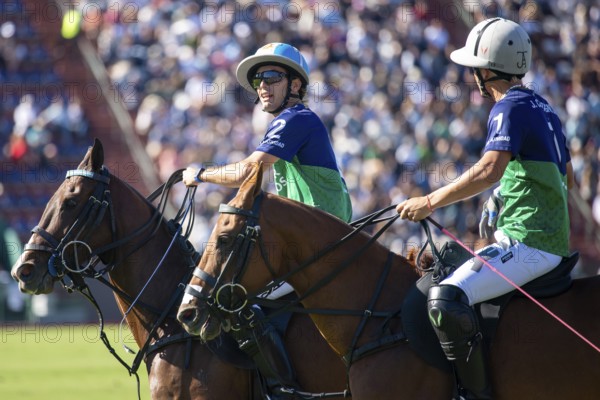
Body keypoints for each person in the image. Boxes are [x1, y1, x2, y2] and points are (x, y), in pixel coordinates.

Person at [396, 18, 573, 399]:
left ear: (487, 70)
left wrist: (428, 201)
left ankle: (475, 394)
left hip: (530, 242)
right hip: (549, 240)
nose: (472, 76)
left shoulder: (507, 107)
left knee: (446, 298)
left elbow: (489, 169)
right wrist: (506, 193)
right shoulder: (544, 108)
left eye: (474, 69)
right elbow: (565, 179)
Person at [182, 42, 352, 398]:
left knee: (242, 303)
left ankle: (284, 389)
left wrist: (201, 173)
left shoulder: (297, 119)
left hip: (322, 248)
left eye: (271, 77)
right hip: (306, 246)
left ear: (294, 85)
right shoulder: (287, 124)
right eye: (259, 79)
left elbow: (247, 171)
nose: (262, 85)